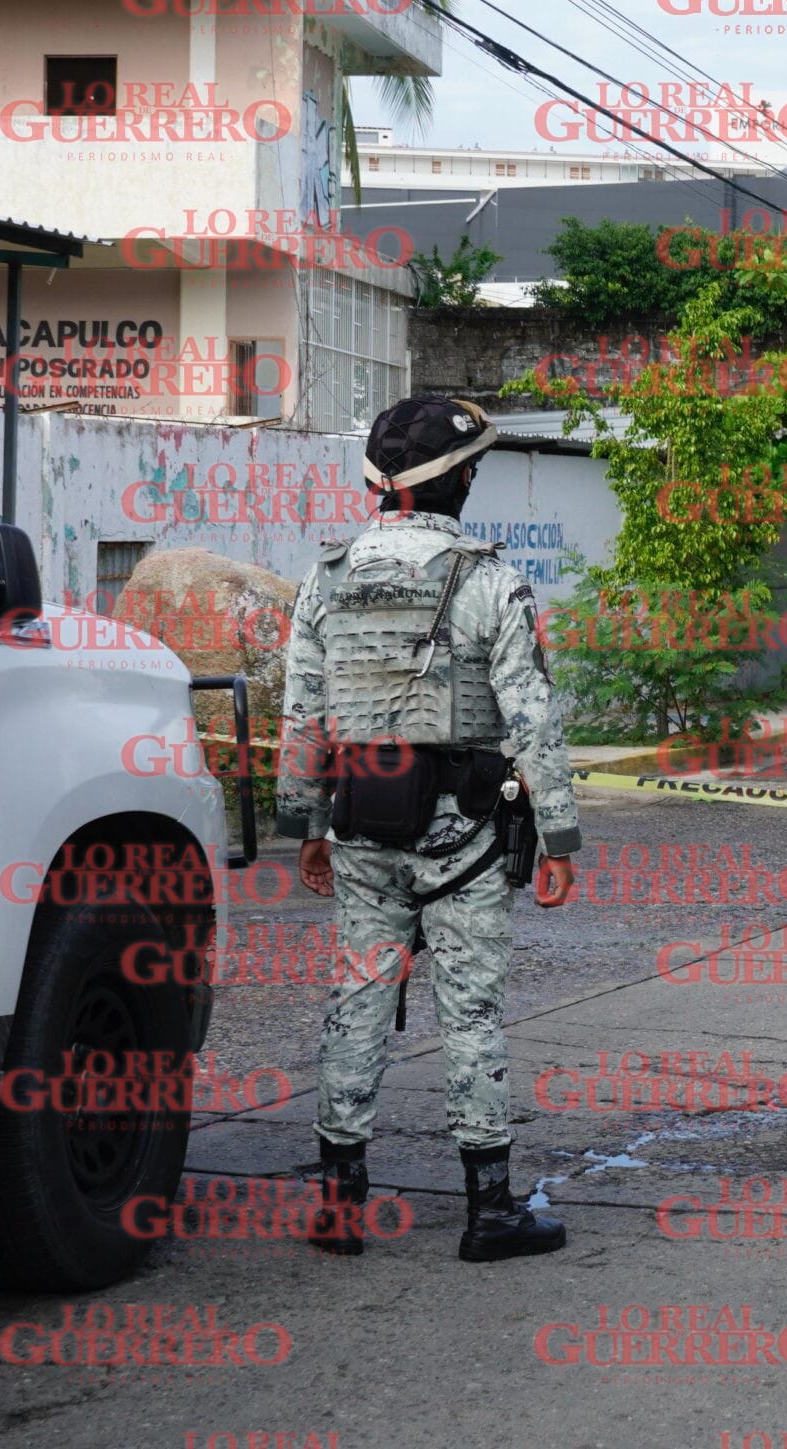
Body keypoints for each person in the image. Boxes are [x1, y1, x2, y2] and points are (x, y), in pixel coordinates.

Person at [275, 395, 582, 1263]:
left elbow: (303, 718)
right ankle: (490, 1211)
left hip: (360, 832)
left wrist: (302, 825)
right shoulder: (490, 579)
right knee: (472, 1009)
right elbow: (532, 720)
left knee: (357, 1002)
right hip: (467, 837)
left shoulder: (325, 578)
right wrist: (559, 837)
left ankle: (339, 1202)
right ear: (458, 482)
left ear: (380, 486)